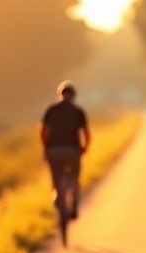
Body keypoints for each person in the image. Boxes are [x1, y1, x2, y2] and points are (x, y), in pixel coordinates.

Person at [40, 81, 90, 239]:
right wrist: (85, 147)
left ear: (59, 95)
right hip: (72, 151)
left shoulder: (51, 110)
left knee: (56, 178)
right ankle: (73, 206)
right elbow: (86, 133)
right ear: (73, 96)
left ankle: (57, 197)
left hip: (54, 151)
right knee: (74, 178)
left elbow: (43, 132)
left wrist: (45, 149)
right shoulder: (78, 111)